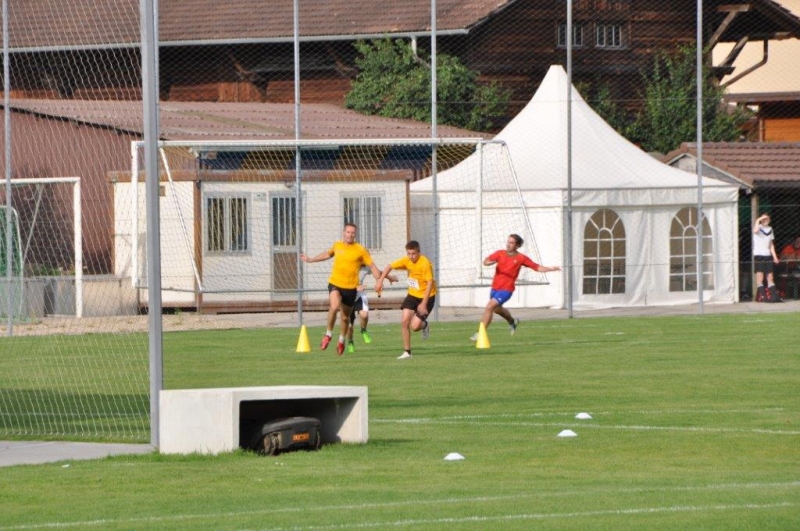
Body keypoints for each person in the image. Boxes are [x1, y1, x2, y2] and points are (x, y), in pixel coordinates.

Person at [301, 223, 384, 355]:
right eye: (348, 232)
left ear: (355, 235)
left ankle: (341, 340)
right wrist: (311, 259)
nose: (350, 235)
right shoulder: (337, 245)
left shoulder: (360, 250)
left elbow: (372, 266)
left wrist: (379, 281)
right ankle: (328, 334)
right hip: (335, 283)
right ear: (343, 233)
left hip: (350, 289)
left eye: (352, 233)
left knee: (345, 318)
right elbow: (327, 254)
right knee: (334, 307)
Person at [471, 234, 561, 341]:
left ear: (517, 246)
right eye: (508, 242)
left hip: (506, 290)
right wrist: (489, 263)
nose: (508, 244)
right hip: (495, 288)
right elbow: (486, 261)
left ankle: (480, 333)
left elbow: (537, 267)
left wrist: (551, 269)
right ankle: (512, 321)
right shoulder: (500, 253)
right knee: (496, 309)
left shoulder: (521, 258)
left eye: (511, 243)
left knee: (489, 307)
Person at [376, 240, 436, 360]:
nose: (411, 256)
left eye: (413, 254)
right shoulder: (407, 260)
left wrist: (423, 303)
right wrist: (380, 281)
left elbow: (430, 283)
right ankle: (407, 353)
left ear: (419, 252)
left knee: (414, 327)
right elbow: (389, 267)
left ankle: (425, 325)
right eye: (409, 253)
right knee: (404, 322)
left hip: (427, 296)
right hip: (412, 295)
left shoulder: (424, 263)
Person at [345, 266, 397, 353]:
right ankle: (350, 341)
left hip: (359, 295)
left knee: (364, 315)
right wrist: (355, 288)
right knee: (350, 326)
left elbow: (378, 272)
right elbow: (341, 285)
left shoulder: (365, 267)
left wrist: (389, 278)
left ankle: (363, 330)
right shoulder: (346, 266)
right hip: (347, 298)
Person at [752, 213, 780, 302]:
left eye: (767, 218)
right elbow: (755, 230)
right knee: (760, 276)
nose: (766, 220)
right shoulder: (758, 227)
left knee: (770, 276)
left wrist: (775, 257)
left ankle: (774, 297)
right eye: (764, 219)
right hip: (759, 255)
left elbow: (771, 244)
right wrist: (759, 219)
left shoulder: (770, 229)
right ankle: (763, 297)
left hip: (767, 255)